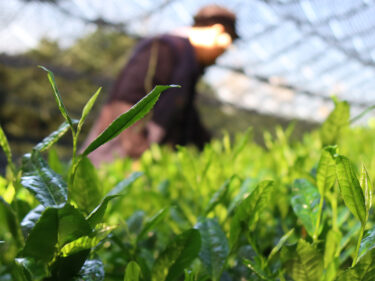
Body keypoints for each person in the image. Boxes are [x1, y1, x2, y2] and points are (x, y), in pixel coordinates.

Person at [82, 4, 239, 166]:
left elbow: (189, 118)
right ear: (218, 30)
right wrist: (136, 152)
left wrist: (216, 151)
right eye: (229, 42)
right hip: (113, 158)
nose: (222, 54)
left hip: (138, 159)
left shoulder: (187, 64)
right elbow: (127, 100)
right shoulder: (166, 48)